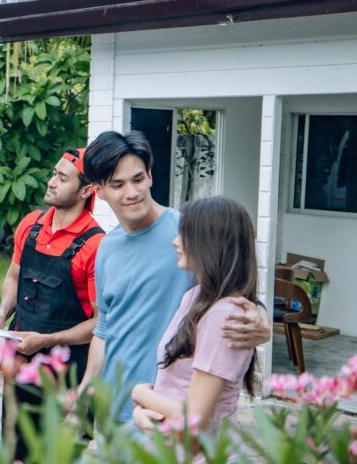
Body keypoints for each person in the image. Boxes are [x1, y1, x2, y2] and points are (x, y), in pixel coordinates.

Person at [79, 131, 269, 420]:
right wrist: (85, 390)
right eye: (118, 184)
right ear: (99, 191)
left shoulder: (188, 237)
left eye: (138, 179)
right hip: (113, 408)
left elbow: (234, 291)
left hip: (167, 410)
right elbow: (105, 329)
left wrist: (262, 320)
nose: (131, 192)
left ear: (151, 176)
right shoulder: (107, 248)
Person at [0, 148, 103, 460]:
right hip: (21, 367)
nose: (51, 182)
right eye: (54, 173)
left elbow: (100, 324)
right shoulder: (31, 225)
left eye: (62, 178)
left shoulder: (96, 245)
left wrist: (48, 341)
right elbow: (13, 276)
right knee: (16, 460)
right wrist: (2, 312)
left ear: (87, 190)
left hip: (67, 377)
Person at [130, 195, 258, 431]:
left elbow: (195, 416)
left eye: (185, 234)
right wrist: (142, 412)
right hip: (173, 453)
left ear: (211, 243)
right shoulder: (195, 296)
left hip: (201, 462)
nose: (175, 242)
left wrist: (139, 393)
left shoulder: (224, 316)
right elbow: (178, 388)